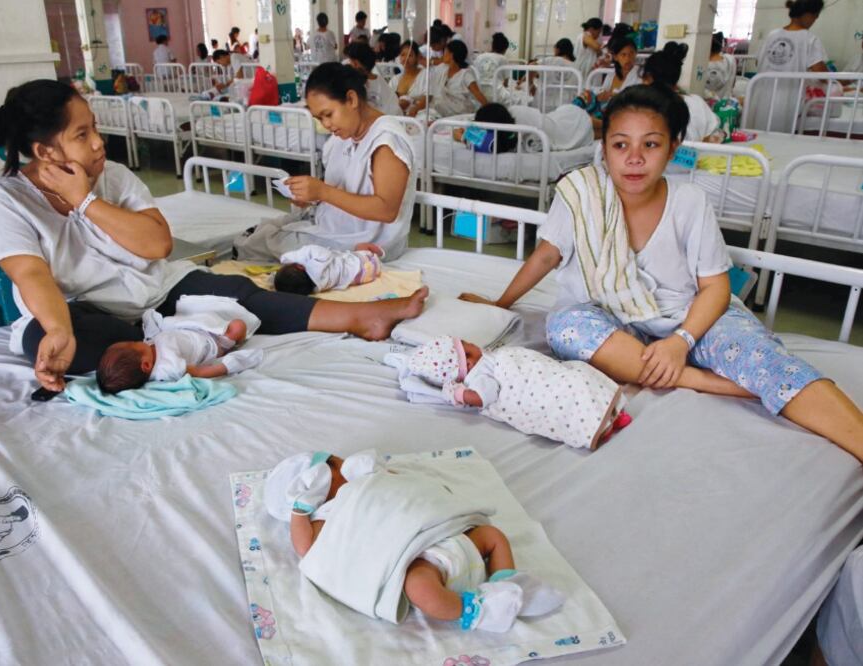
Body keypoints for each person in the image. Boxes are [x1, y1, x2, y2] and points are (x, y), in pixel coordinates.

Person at [459, 84, 863, 463]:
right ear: (605, 148)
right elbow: (546, 256)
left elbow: (715, 288)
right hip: (614, 318)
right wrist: (499, 304)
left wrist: (681, 341)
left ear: (672, 149)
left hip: (691, 318)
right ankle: (704, 381)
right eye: (621, 145)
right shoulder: (581, 194)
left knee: (768, 362)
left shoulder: (689, 202)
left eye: (650, 145)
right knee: (564, 327)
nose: (634, 158)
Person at [0, 79, 428, 391]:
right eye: (82, 134)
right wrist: (57, 328)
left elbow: (157, 245)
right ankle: (170, 347)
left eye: (94, 128)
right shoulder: (6, 203)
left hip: (155, 289)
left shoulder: (110, 177)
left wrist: (86, 201)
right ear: (44, 151)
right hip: (86, 311)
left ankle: (360, 318)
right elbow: (32, 276)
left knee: (240, 291)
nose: (99, 142)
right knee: (49, 338)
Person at [266, 450, 565, 632]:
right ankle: (476, 609)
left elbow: (409, 490)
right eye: (334, 465)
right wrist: (301, 510)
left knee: (493, 536)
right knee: (418, 586)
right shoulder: (325, 517)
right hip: (425, 562)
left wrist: (383, 475)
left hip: (451, 535)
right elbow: (308, 551)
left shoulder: (367, 479)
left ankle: (507, 580)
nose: (343, 463)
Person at [233, 63, 417, 262]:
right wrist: (310, 196)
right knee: (255, 235)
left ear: (352, 99)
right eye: (319, 118)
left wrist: (323, 192)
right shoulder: (341, 138)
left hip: (367, 243)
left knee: (253, 246)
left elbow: (386, 210)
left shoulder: (385, 142)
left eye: (328, 114)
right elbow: (339, 190)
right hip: (333, 226)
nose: (326, 125)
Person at [402, 336, 630, 449]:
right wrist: (458, 394)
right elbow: (484, 397)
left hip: (538, 374)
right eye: (467, 346)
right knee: (569, 389)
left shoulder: (491, 359)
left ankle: (609, 415)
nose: (473, 343)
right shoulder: (477, 376)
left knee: (572, 378)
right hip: (533, 390)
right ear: (466, 364)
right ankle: (605, 423)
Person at [96, 295, 262, 393]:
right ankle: (230, 345)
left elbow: (157, 334)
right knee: (238, 326)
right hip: (213, 343)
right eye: (134, 343)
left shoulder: (148, 352)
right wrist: (227, 366)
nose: (138, 341)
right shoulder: (168, 368)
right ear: (146, 365)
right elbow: (197, 372)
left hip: (188, 330)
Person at [749, 0, 829, 131]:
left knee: (756, 135)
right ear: (808, 15)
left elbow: (759, 62)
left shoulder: (772, 35)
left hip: (760, 95)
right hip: (785, 100)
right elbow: (821, 74)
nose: (814, 21)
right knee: (778, 138)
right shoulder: (809, 39)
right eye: (815, 17)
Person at [642, 42, 721, 142]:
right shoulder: (696, 101)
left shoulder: (646, 107)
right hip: (701, 156)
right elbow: (714, 135)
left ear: (648, 77)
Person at [407, 41, 488, 120]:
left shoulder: (465, 74)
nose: (443, 55)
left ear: (451, 55)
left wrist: (490, 110)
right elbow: (431, 92)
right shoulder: (442, 69)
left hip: (460, 114)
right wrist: (417, 107)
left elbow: (477, 93)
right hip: (441, 113)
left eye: (445, 52)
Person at [274, 242, 384, 294]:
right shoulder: (315, 266)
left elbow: (289, 284)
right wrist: (287, 258)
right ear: (300, 266)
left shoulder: (316, 288)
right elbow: (321, 252)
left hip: (362, 278)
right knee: (360, 246)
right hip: (362, 262)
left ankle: (376, 261)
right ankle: (380, 254)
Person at [345, 41, 400, 116]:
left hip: (382, 122)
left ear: (355, 63)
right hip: (394, 120)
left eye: (350, 61)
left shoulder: (356, 84)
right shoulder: (379, 80)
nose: (348, 63)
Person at [473, 33, 510, 103]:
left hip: (479, 93)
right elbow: (506, 83)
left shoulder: (479, 57)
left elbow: (474, 75)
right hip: (496, 93)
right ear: (504, 49)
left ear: (492, 46)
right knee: (515, 100)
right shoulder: (503, 59)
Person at [390, 41, 423, 110]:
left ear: (417, 57)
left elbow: (427, 99)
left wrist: (415, 110)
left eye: (410, 55)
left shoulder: (425, 75)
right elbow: (388, 98)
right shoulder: (395, 79)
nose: (406, 59)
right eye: (403, 55)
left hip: (420, 114)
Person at [704, 32, 737, 101]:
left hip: (711, 105)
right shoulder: (730, 59)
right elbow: (733, 83)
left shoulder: (707, 66)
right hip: (727, 103)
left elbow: (706, 91)